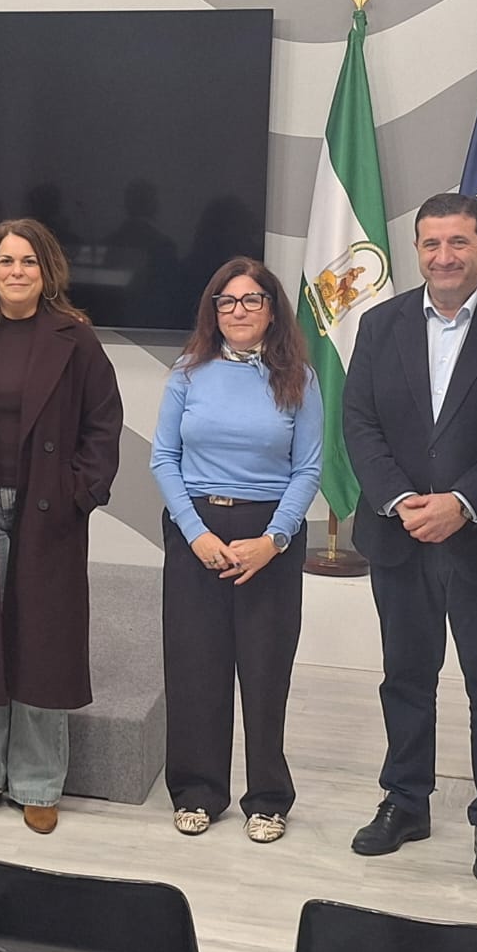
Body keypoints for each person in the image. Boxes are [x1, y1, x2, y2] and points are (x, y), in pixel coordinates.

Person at [342, 193, 477, 886]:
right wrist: (404, 500)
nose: (444, 256)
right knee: (406, 675)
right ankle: (406, 801)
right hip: (400, 536)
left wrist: (461, 503)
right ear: (418, 250)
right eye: (431, 244)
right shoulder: (380, 324)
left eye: (459, 242)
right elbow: (359, 424)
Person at [0, 219, 122, 834]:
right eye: (6, 262)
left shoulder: (76, 339)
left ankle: (38, 783)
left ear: (48, 271)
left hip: (47, 510)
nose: (16, 273)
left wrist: (78, 492)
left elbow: (103, 425)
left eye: (28, 263)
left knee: (42, 645)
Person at [150, 257, 321, 843]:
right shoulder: (188, 372)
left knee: (265, 671)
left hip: (268, 537)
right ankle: (197, 790)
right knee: (195, 667)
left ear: (272, 309)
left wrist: (273, 541)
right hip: (195, 529)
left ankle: (268, 798)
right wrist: (196, 533)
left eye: (251, 300)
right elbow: (162, 458)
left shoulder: (298, 375)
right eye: (227, 301)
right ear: (213, 311)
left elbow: (309, 468)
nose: (239, 311)